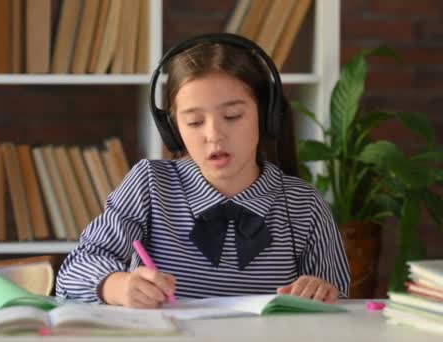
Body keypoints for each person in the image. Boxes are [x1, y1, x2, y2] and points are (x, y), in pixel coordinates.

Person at [56, 33, 350, 308]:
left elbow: (341, 298)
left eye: (232, 116)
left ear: (266, 116)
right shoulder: (149, 184)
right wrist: (118, 286)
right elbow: (74, 271)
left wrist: (322, 291)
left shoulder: (304, 204)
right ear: (173, 130)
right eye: (195, 122)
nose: (214, 135)